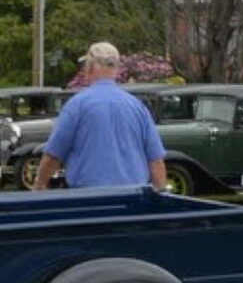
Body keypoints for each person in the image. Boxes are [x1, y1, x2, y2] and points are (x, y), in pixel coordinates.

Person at [33, 42, 167, 191]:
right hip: (134, 197)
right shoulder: (138, 107)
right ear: (116, 70)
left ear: (89, 67)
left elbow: (53, 155)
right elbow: (156, 161)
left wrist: (40, 184)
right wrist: (160, 193)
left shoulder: (76, 105)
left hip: (89, 198)